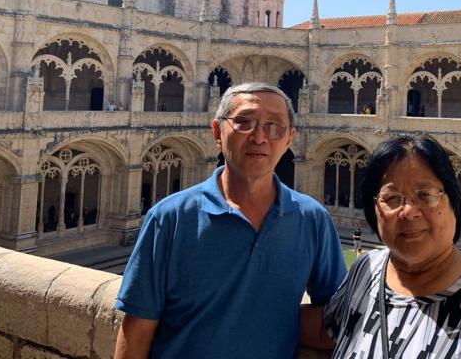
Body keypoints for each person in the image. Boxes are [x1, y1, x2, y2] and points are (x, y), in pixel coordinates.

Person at [115, 82, 346, 358]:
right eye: (244, 122)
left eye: (274, 126)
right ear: (217, 132)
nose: (259, 137)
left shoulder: (313, 220)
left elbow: (337, 317)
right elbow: (136, 331)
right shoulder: (170, 218)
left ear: (290, 138)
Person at [301, 134, 461, 358]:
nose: (409, 211)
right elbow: (325, 331)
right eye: (391, 198)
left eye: (426, 195)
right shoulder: (366, 271)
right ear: (374, 210)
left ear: (454, 205)